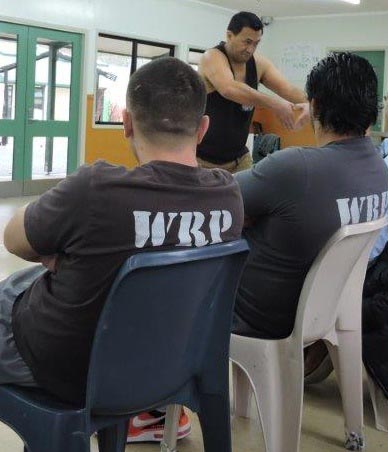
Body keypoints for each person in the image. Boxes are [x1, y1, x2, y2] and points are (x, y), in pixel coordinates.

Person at [1, 57, 244, 442]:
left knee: (13, 287)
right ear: (202, 129)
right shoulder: (229, 195)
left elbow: (13, 239)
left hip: (68, 369)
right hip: (172, 365)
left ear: (127, 122)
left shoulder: (96, 189)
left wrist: (63, 254)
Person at [232, 52, 388, 354]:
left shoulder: (295, 168)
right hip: (331, 311)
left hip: (261, 318)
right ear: (372, 109)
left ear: (314, 106)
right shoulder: (379, 169)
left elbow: (215, 203)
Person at [197, 11, 309, 173]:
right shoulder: (212, 57)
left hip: (239, 159)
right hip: (203, 160)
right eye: (247, 42)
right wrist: (276, 104)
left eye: (256, 43)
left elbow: (289, 90)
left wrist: (311, 104)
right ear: (229, 36)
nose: (250, 49)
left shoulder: (259, 64)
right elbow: (229, 88)